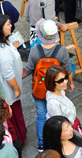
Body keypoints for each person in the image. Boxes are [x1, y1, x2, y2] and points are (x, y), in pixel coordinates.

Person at [25, 19, 74, 151]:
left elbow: (28, 69)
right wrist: (71, 83)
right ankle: (58, 140)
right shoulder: (62, 50)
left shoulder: (35, 50)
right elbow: (67, 69)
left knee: (41, 115)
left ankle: (41, 143)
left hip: (39, 89)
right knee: (58, 116)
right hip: (56, 89)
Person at [0, 14, 26, 145]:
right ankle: (18, 139)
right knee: (13, 115)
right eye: (7, 24)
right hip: (8, 89)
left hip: (1, 87)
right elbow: (8, 74)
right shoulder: (2, 50)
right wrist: (17, 89)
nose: (11, 26)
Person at [45, 65, 82, 134]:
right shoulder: (53, 103)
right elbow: (59, 127)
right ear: (52, 82)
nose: (65, 82)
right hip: (68, 132)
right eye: (60, 81)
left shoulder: (60, 91)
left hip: (72, 126)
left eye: (66, 78)